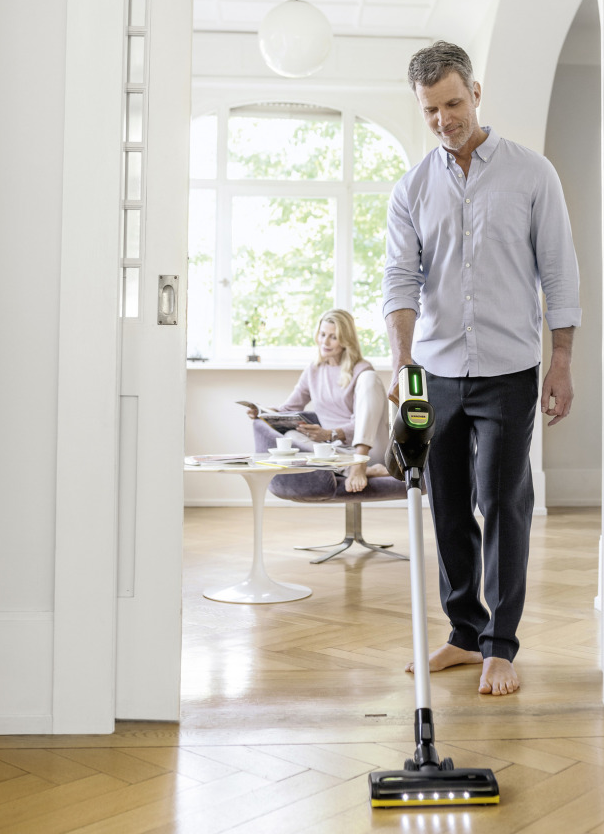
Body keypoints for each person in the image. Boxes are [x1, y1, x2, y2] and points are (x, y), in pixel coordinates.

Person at [383, 41, 581, 696]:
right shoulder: (412, 187)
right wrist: (401, 363)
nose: (443, 119)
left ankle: (501, 643)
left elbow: (559, 273)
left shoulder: (531, 174)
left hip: (508, 368)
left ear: (475, 92)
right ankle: (465, 633)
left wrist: (561, 361)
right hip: (436, 371)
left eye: (452, 103)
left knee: (502, 503)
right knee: (445, 505)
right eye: (430, 110)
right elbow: (400, 281)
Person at [246, 309, 390, 493]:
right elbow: (289, 408)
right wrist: (263, 412)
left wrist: (331, 433)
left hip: (368, 449)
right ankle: (358, 470)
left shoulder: (362, 370)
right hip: (336, 452)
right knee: (291, 436)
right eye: (322, 334)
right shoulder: (313, 370)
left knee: (370, 378)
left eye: (333, 337)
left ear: (346, 340)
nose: (325, 342)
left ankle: (360, 466)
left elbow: (365, 421)